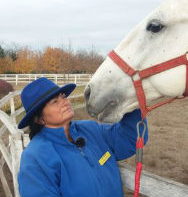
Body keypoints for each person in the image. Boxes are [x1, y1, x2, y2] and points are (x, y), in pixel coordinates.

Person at [17, 77, 148, 197]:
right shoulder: (35, 157)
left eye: (63, 96)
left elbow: (130, 138)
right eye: (55, 101)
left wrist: (131, 102)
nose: (65, 102)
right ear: (39, 119)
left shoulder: (90, 129)